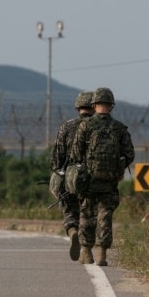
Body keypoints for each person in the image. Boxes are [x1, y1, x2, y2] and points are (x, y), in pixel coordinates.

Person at [69, 87, 134, 266]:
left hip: (89, 180)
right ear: (111, 106)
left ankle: (87, 252)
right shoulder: (119, 128)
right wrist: (117, 168)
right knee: (105, 215)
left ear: (95, 104)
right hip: (110, 181)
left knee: (86, 214)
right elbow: (129, 154)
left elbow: (75, 152)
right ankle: (102, 254)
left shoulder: (85, 126)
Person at [50, 91, 94, 261]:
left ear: (78, 108)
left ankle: (72, 231)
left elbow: (57, 157)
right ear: (94, 107)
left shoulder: (66, 127)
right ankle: (86, 250)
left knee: (70, 211)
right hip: (91, 178)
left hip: (70, 178)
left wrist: (59, 174)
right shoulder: (97, 126)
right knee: (89, 214)